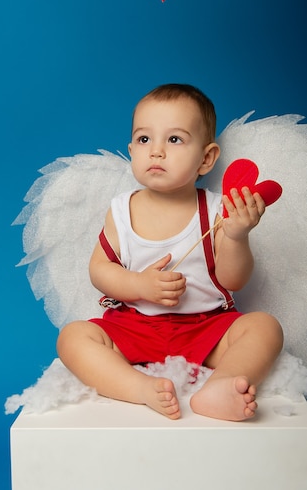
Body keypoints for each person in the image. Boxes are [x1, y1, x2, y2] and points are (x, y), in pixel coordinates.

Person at [57, 83, 283, 421]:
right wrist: (138, 286)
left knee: (265, 327)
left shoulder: (216, 210)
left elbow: (232, 279)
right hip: (135, 328)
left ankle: (220, 386)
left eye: (174, 140)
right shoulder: (121, 210)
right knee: (73, 337)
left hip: (205, 328)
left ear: (206, 159)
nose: (157, 151)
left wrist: (236, 236)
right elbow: (100, 270)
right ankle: (137, 387)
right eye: (145, 140)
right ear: (132, 150)